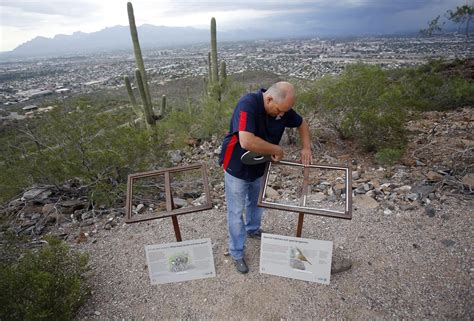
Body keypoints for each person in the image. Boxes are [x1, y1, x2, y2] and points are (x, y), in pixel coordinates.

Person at [219, 81, 312, 274]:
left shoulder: (282, 109)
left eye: (284, 112)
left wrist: (306, 147)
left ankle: (253, 229)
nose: (281, 115)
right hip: (236, 166)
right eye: (279, 110)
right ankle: (236, 253)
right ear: (269, 98)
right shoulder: (248, 104)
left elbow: (301, 123)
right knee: (236, 213)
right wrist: (276, 149)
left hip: (259, 165)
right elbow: (246, 141)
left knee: (256, 202)